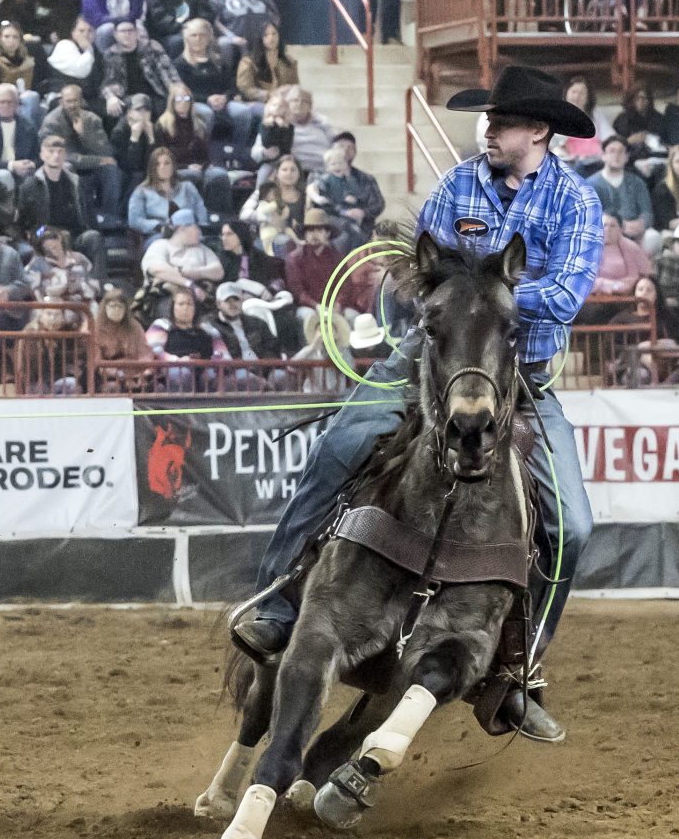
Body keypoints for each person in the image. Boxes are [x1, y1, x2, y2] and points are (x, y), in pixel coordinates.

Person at [230, 67, 602, 743]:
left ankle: (519, 668)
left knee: (572, 524)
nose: (487, 130)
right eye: (488, 119)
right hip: (425, 365)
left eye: (502, 121)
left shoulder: (575, 203)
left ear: (539, 131)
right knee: (339, 446)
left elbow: (567, 296)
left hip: (521, 378)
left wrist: (482, 298)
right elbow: (418, 270)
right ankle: (280, 602)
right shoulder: (460, 183)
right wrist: (441, 294)